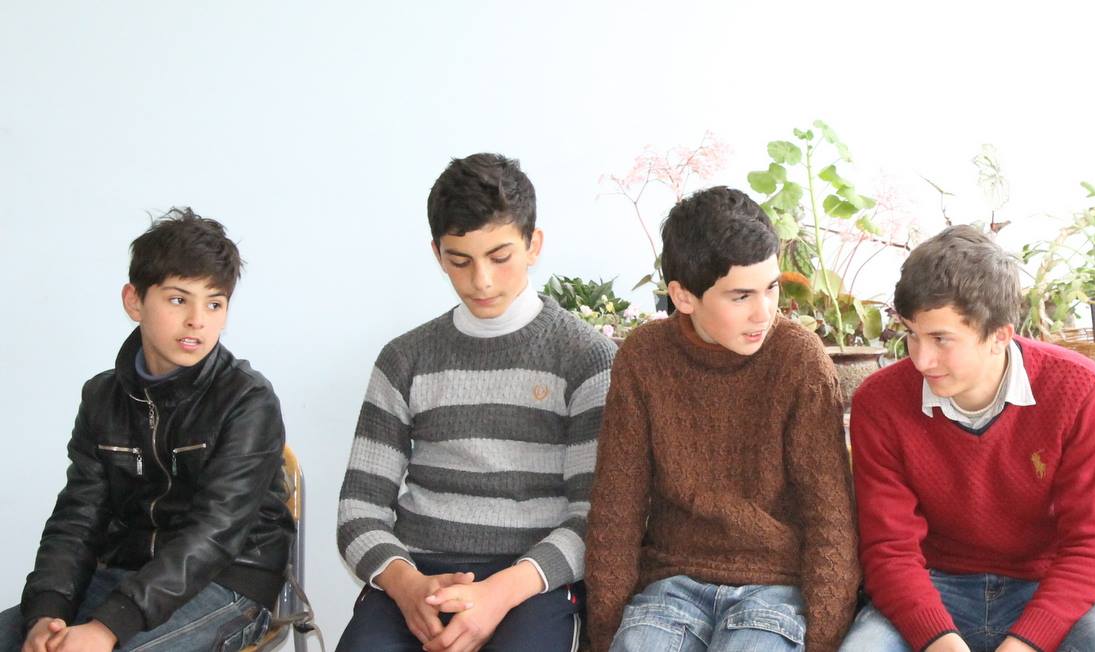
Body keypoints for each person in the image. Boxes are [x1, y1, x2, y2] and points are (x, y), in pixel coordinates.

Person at [335, 153, 614, 652]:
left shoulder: (586, 358)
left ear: (534, 245)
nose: (481, 280)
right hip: (417, 574)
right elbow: (359, 509)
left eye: (500, 257)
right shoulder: (404, 359)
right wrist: (406, 585)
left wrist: (499, 593)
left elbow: (596, 516)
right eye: (460, 261)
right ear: (438, 254)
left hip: (532, 581)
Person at [840, 225, 1095, 652]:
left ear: (1000, 335)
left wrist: (1026, 642)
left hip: (1044, 588)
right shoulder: (879, 401)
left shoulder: (1078, 388)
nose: (921, 359)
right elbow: (889, 549)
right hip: (928, 587)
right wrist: (938, 639)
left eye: (941, 339)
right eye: (911, 334)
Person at [1, 208, 292, 651]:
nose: (197, 320)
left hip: (228, 583)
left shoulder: (247, 400)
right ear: (134, 301)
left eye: (214, 304)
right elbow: (77, 520)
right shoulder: (102, 398)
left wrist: (107, 627)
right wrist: (46, 614)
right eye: (178, 300)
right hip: (126, 577)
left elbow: (214, 535)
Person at [584, 186, 860, 652]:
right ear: (683, 297)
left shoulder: (800, 361)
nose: (763, 312)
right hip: (669, 587)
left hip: (774, 589)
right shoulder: (644, 358)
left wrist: (821, 642)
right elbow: (617, 507)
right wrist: (607, 637)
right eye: (740, 296)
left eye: (771, 287)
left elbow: (830, 516)